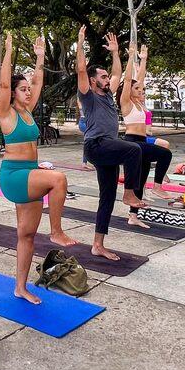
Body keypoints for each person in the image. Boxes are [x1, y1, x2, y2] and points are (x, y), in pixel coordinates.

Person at [0, 32, 81, 304]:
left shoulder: (27, 111)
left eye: (28, 89)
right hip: (14, 175)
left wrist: (40, 57)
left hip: (30, 173)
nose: (28, 91)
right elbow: (2, 85)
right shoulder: (7, 112)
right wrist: (8, 51)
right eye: (22, 89)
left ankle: (20, 287)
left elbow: (39, 81)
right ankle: (56, 230)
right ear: (13, 93)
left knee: (27, 235)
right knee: (58, 179)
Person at [76, 26, 146, 260]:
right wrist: (80, 43)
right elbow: (80, 70)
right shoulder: (88, 95)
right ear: (93, 80)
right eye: (103, 77)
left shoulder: (107, 94)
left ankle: (98, 244)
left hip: (108, 147)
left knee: (106, 197)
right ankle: (129, 193)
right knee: (134, 149)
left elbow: (118, 75)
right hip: (96, 145)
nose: (108, 79)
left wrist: (116, 53)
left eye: (107, 77)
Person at [120, 44, 173, 229]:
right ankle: (158, 186)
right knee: (165, 154)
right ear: (129, 90)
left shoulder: (140, 104)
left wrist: (143, 59)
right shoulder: (126, 103)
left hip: (142, 142)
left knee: (140, 181)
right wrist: (131, 58)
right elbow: (128, 81)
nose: (141, 91)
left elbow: (139, 79)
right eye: (137, 89)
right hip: (132, 142)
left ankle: (133, 216)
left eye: (142, 90)